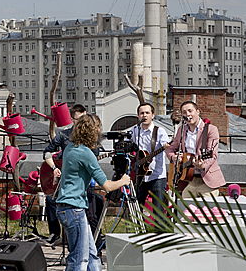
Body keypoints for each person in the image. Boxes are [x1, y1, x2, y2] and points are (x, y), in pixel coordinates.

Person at [57, 114, 130, 271]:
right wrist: (124, 181)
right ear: (95, 130)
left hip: (67, 207)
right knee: (79, 259)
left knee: (91, 256)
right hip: (74, 209)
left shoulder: (70, 147)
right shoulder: (86, 153)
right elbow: (107, 186)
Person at [42, 104, 87, 244]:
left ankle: (93, 235)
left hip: (82, 180)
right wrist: (54, 167)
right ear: (72, 119)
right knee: (51, 200)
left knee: (93, 199)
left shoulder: (90, 136)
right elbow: (47, 152)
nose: (82, 122)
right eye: (78, 119)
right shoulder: (64, 135)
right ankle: (55, 234)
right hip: (65, 179)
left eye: (84, 118)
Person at [165, 101, 225, 197]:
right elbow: (170, 148)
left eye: (190, 111)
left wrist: (202, 166)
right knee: (185, 210)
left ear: (198, 111)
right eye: (184, 112)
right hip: (187, 181)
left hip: (207, 181)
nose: (187, 114)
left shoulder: (210, 129)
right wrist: (173, 158)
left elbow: (212, 154)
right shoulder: (181, 130)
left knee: (206, 211)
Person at [128, 102, 169, 215]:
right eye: (142, 113)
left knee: (158, 208)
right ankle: (139, 230)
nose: (144, 115)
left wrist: (167, 147)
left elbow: (167, 146)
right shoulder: (134, 131)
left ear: (153, 115)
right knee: (136, 206)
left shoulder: (159, 131)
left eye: (147, 113)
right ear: (138, 116)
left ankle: (160, 231)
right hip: (139, 175)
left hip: (157, 175)